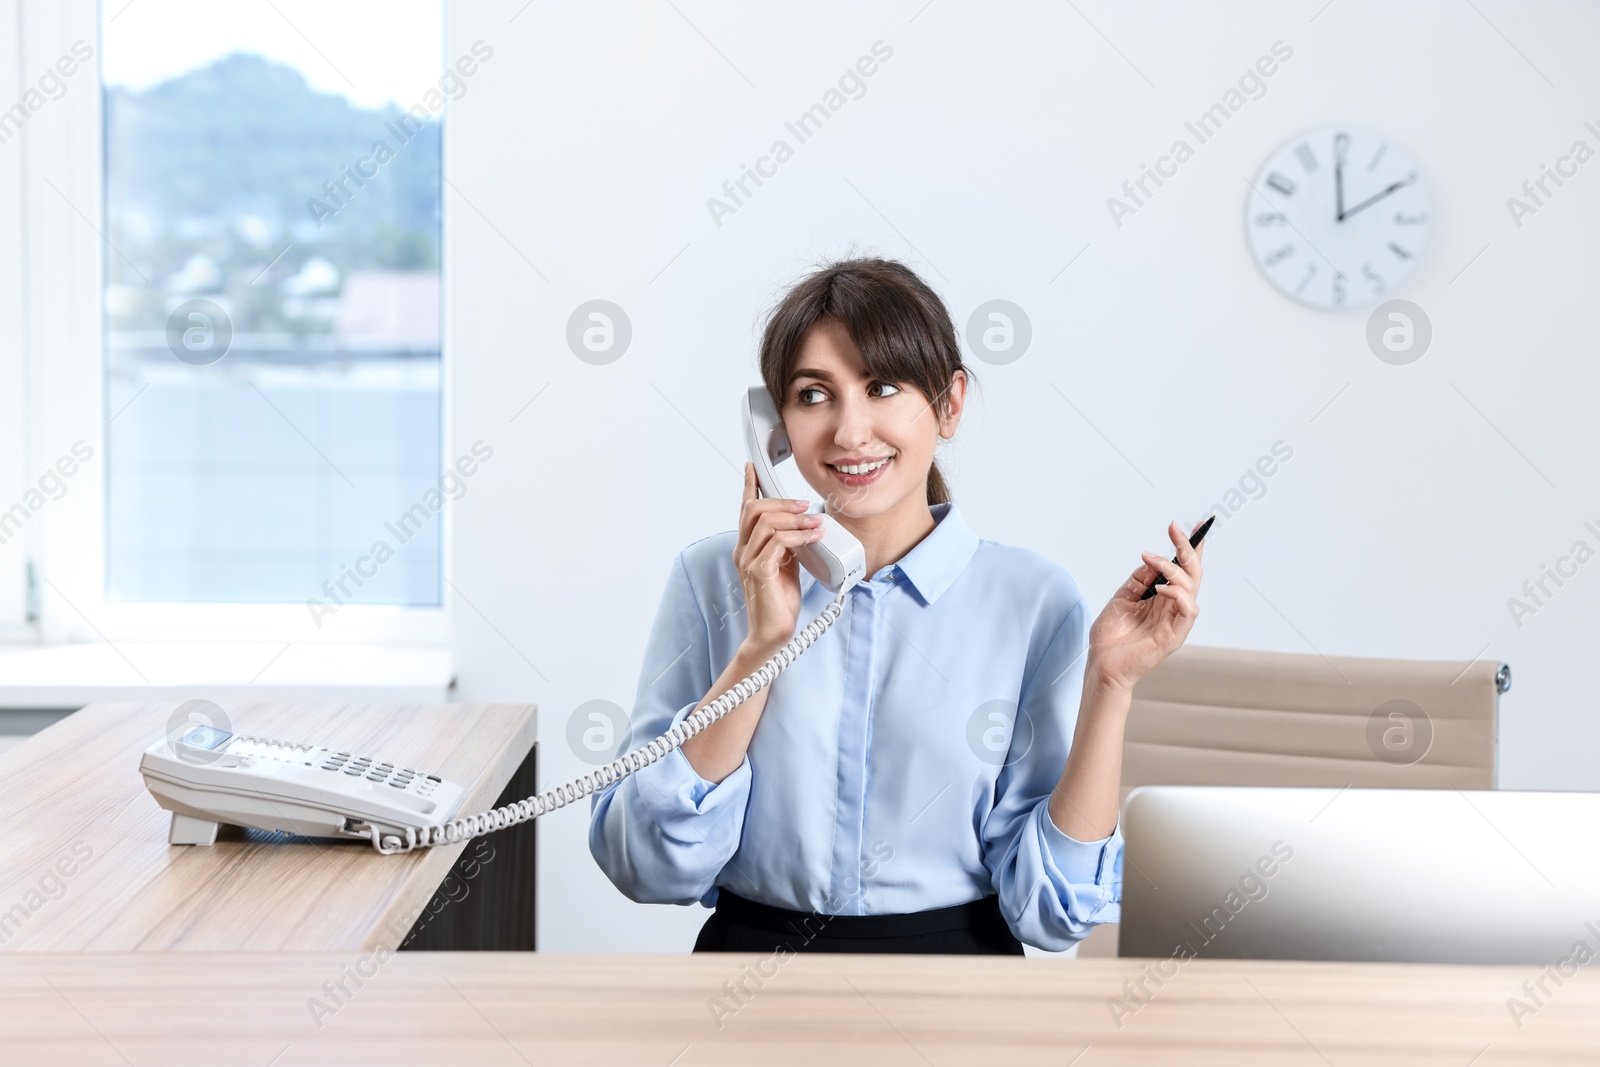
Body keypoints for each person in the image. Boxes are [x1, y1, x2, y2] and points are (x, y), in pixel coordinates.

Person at [589, 256, 1205, 954]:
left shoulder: (1032, 599)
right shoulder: (712, 578)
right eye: (814, 394)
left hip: (956, 986)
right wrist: (763, 645)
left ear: (949, 404)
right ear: (774, 426)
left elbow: (1054, 914)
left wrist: (1111, 684)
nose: (850, 432)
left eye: (882, 387)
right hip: (750, 975)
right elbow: (643, 863)